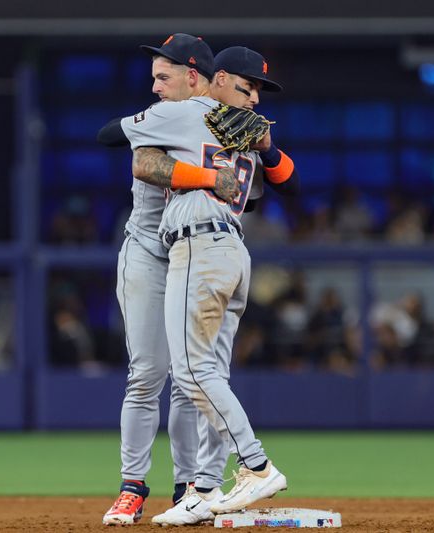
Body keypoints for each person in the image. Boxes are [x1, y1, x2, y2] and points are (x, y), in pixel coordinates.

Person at [119, 45, 300, 522]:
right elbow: (278, 190)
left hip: (200, 247)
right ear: (216, 79)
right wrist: (253, 153)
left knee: (192, 373)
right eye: (248, 86)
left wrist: (264, 149)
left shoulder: (193, 114)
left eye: (258, 89)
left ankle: (256, 465)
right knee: (208, 373)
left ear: (196, 77)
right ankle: (203, 488)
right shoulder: (231, 128)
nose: (255, 99)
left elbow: (110, 137)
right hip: (231, 251)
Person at [97, 34, 238, 526]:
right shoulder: (157, 119)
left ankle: (186, 490)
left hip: (193, 252)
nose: (155, 86)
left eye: (164, 77)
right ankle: (132, 487)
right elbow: (120, 145)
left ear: (193, 76)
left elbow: (260, 187)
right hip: (149, 252)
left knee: (186, 382)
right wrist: (205, 177)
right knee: (146, 375)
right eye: (154, 77)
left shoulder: (221, 123)